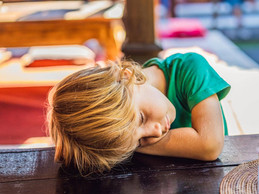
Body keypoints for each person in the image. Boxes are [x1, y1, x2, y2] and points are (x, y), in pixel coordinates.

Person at [47, 52, 231, 174]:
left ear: (127, 77)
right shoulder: (136, 103)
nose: (156, 132)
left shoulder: (190, 68)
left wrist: (128, 147)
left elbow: (210, 145)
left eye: (141, 118)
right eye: (139, 140)